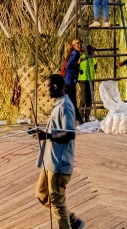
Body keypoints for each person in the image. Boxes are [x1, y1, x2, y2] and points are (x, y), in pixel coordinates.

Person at [32, 73, 84, 229]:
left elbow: (69, 133)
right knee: (41, 194)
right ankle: (72, 221)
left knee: (57, 202)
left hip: (58, 163)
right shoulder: (59, 104)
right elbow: (56, 129)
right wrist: (42, 132)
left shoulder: (66, 106)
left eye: (47, 87)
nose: (46, 91)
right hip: (49, 160)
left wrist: (46, 135)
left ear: (54, 87)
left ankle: (67, 224)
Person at [61, 40, 83, 118]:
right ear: (74, 46)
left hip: (68, 81)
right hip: (69, 81)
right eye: (78, 44)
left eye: (80, 44)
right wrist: (78, 63)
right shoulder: (75, 54)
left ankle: (75, 117)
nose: (80, 46)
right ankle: (78, 118)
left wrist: (78, 70)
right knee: (72, 100)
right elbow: (68, 66)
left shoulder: (75, 53)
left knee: (70, 100)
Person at [77, 45, 95, 124]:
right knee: (83, 99)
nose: (93, 52)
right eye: (91, 51)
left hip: (91, 80)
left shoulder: (93, 58)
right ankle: (81, 117)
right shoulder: (82, 57)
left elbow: (95, 65)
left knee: (89, 99)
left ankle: (87, 117)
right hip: (83, 79)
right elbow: (77, 65)